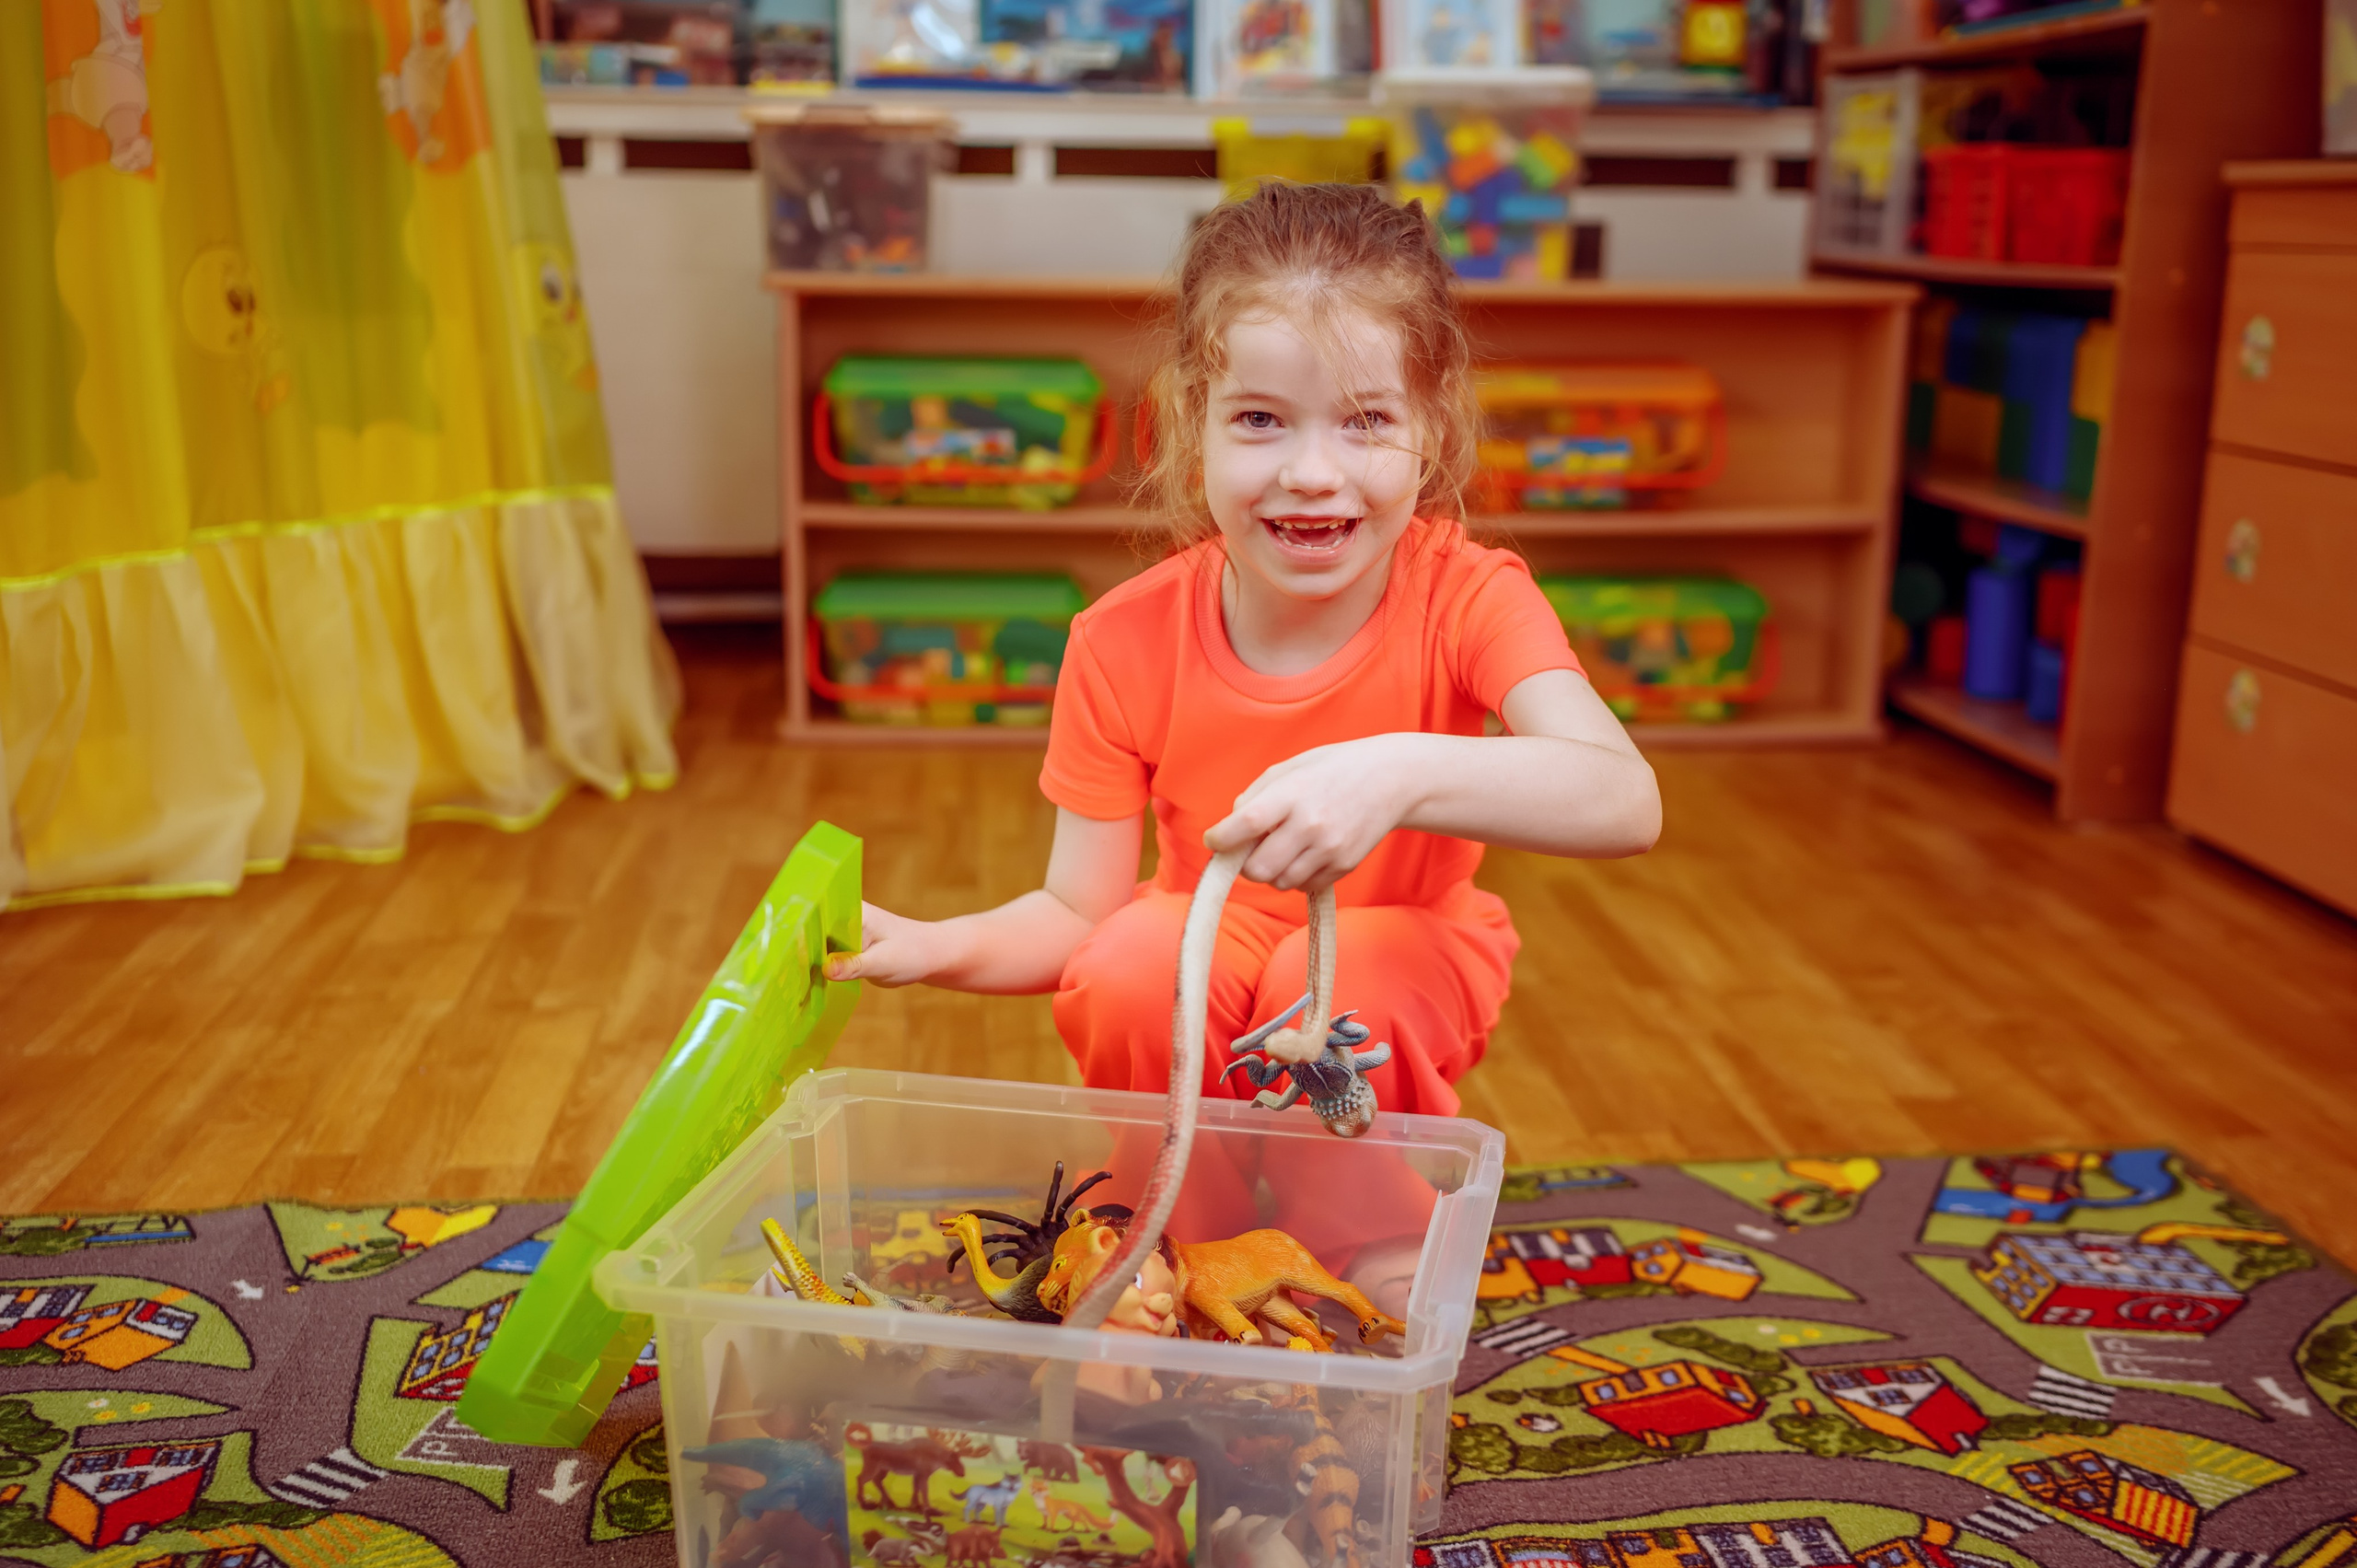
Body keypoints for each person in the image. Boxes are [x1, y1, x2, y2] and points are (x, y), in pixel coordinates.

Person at [826, 182, 1661, 1302]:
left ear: (1434, 429)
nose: (1311, 471)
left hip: (1406, 955)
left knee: (1340, 970)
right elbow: (1078, 913)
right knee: (1131, 954)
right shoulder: (1121, 640)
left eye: (1366, 420)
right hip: (1198, 968)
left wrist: (1400, 766)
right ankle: (1167, 1218)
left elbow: (1622, 798)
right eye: (1261, 419)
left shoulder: (1467, 595)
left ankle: (1361, 1222)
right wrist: (935, 947)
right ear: (1191, 425)